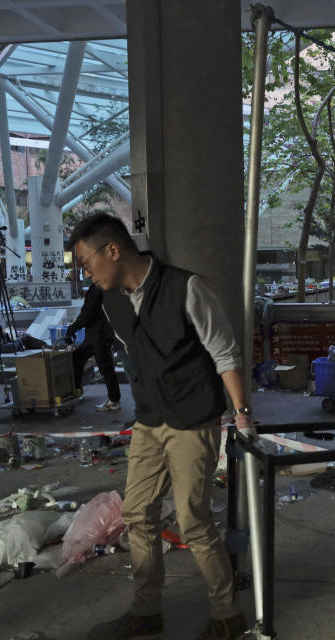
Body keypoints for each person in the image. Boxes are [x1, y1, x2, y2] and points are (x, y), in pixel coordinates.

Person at [71, 213, 250, 640]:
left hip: (193, 417)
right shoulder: (111, 300)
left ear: (113, 250)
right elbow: (136, 354)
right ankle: (147, 610)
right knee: (137, 514)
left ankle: (227, 616)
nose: (85, 273)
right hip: (150, 417)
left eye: (85, 262)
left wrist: (242, 414)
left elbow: (225, 354)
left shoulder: (187, 288)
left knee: (193, 521)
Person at [65, 282, 121, 411]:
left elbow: (87, 313)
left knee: (105, 366)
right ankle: (77, 389)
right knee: (78, 356)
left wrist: (73, 328)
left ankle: (114, 400)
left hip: (99, 334)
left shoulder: (97, 288)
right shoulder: (103, 286)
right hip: (97, 333)